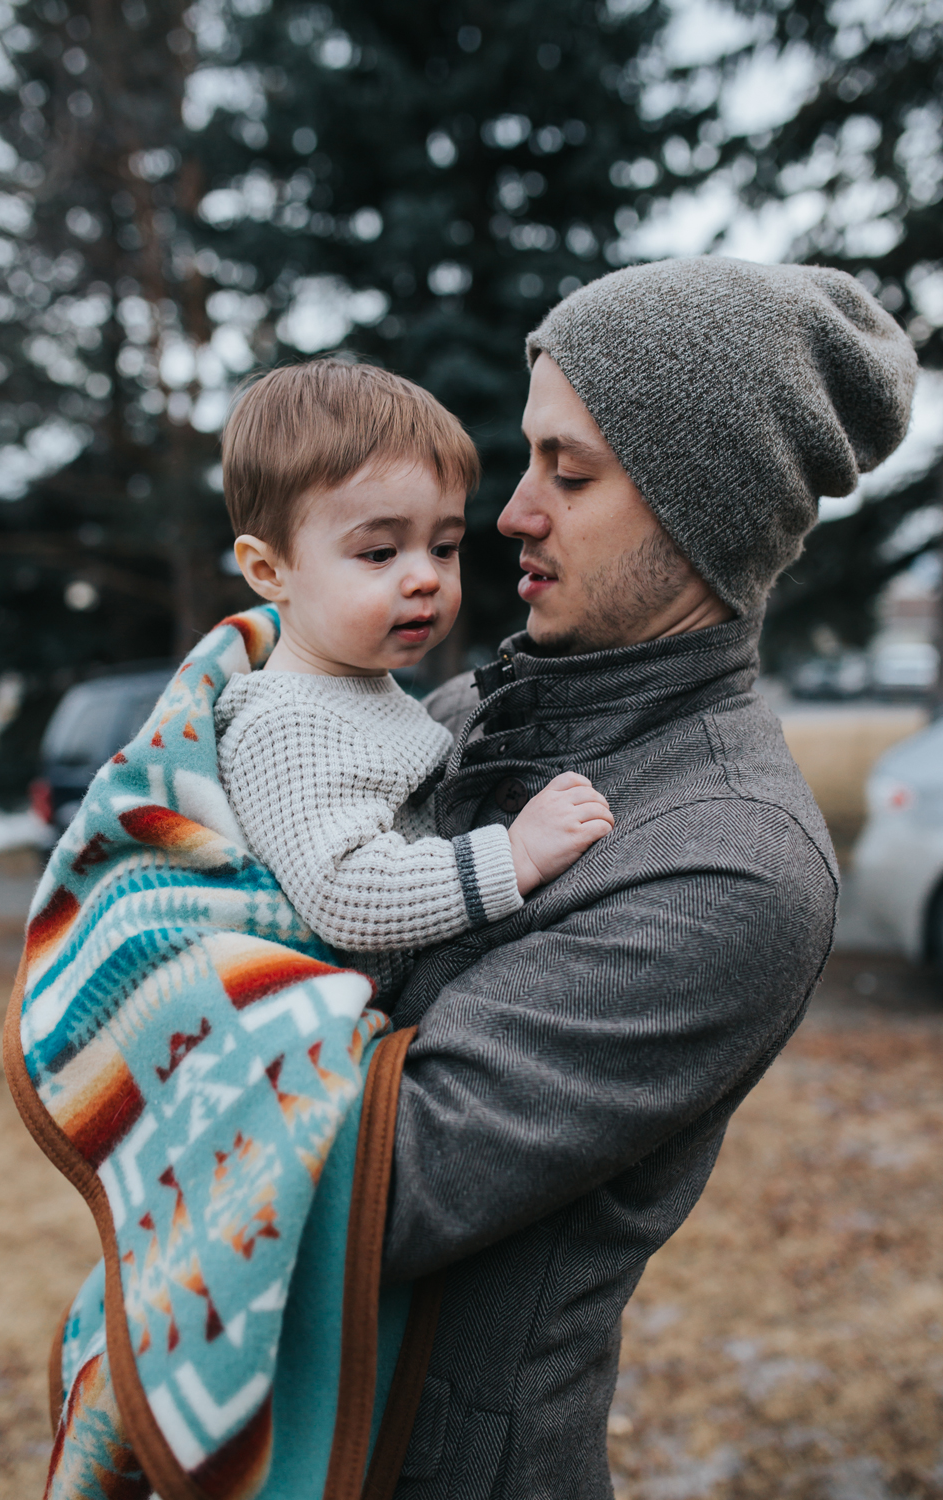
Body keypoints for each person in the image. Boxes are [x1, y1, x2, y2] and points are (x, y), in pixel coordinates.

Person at [379, 258, 918, 1499]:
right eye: (528, 462)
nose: (514, 510)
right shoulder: (470, 709)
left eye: (569, 473)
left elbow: (385, 1185)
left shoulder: (729, 860)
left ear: (702, 508)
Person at [214, 360, 614, 998]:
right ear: (268, 571)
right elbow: (344, 892)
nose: (425, 576)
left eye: (443, 547)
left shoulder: (361, 691)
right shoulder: (285, 725)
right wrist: (514, 857)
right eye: (379, 552)